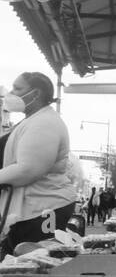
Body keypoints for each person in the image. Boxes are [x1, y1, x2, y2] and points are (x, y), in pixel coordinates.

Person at [0, 72, 77, 256]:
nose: (11, 93)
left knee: (34, 263)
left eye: (18, 88)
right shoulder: (34, 120)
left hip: (42, 208)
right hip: (32, 209)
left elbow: (28, 170)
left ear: (35, 94)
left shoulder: (44, 123)